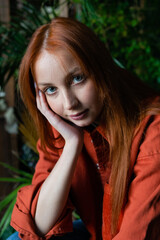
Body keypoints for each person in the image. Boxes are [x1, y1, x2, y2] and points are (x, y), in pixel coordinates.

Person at [8, 17, 160, 240]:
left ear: (101, 69)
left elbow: (136, 234)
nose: (69, 103)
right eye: (51, 90)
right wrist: (72, 145)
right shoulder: (62, 127)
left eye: (77, 78)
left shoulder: (152, 129)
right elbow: (38, 225)